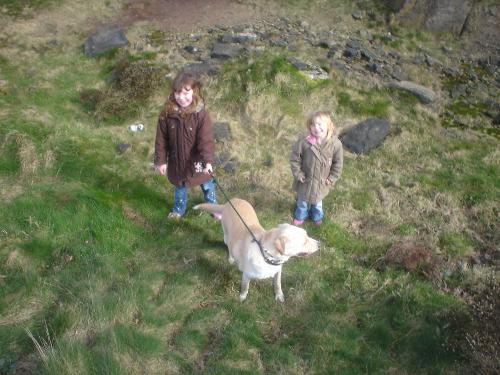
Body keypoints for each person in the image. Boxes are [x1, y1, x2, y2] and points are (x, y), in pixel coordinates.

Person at [154, 71, 220, 220]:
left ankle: (214, 208)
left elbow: (206, 140)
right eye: (177, 93)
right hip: (177, 162)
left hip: (198, 161)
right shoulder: (166, 114)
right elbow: (161, 140)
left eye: (186, 93)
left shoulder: (200, 115)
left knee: (207, 184)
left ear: (195, 92)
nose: (181, 97)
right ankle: (178, 210)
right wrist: (160, 161)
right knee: (179, 187)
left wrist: (208, 162)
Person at [290, 111, 343, 225]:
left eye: (320, 124)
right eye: (313, 124)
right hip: (305, 180)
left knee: (318, 202)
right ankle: (301, 215)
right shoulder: (304, 142)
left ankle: (317, 216)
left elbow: (338, 163)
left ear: (328, 126)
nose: (316, 128)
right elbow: (295, 159)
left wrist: (332, 177)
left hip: (322, 181)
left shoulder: (335, 144)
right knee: (302, 201)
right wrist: (298, 174)